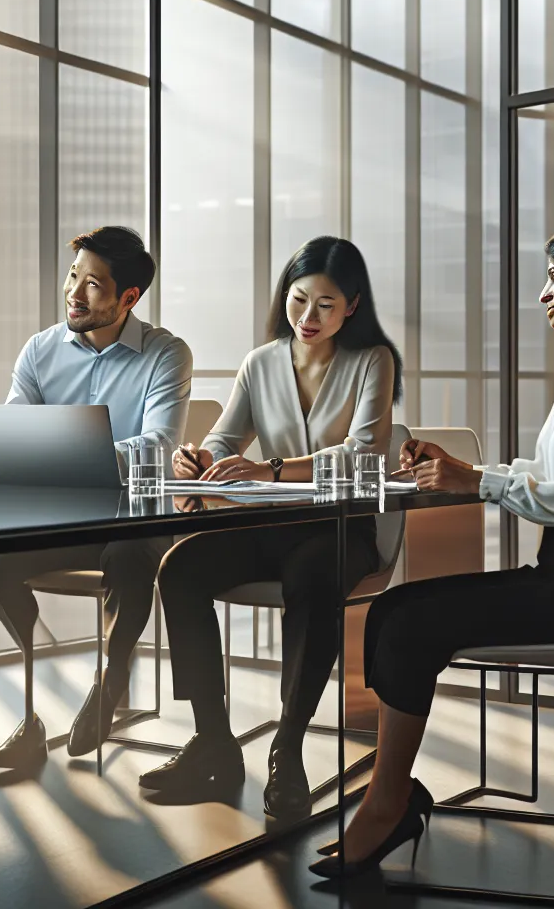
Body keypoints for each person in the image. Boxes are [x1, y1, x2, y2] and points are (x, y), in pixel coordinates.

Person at [310, 220, 554, 878]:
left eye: (553, 277)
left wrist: (475, 481)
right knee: (392, 612)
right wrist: (463, 469)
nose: (543, 293)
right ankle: (391, 796)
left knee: (410, 622)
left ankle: (386, 804)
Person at [141, 236, 402, 819]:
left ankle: (287, 745)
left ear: (353, 307)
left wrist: (272, 467)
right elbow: (226, 439)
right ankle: (213, 739)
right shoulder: (261, 363)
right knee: (180, 567)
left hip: (341, 528)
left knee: (312, 577)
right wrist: (200, 460)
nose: (309, 317)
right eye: (299, 299)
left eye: (326, 305)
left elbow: (363, 454)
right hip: (269, 524)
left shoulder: (373, 361)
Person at [0, 226, 193, 769]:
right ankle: (32, 706)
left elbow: (158, 445)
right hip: (62, 523)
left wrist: (61, 452)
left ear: (129, 298)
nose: (74, 293)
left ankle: (110, 679)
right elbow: (16, 434)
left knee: (127, 556)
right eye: (74, 276)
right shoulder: (40, 350)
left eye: (93, 285)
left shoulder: (166, 354)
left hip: (133, 524)